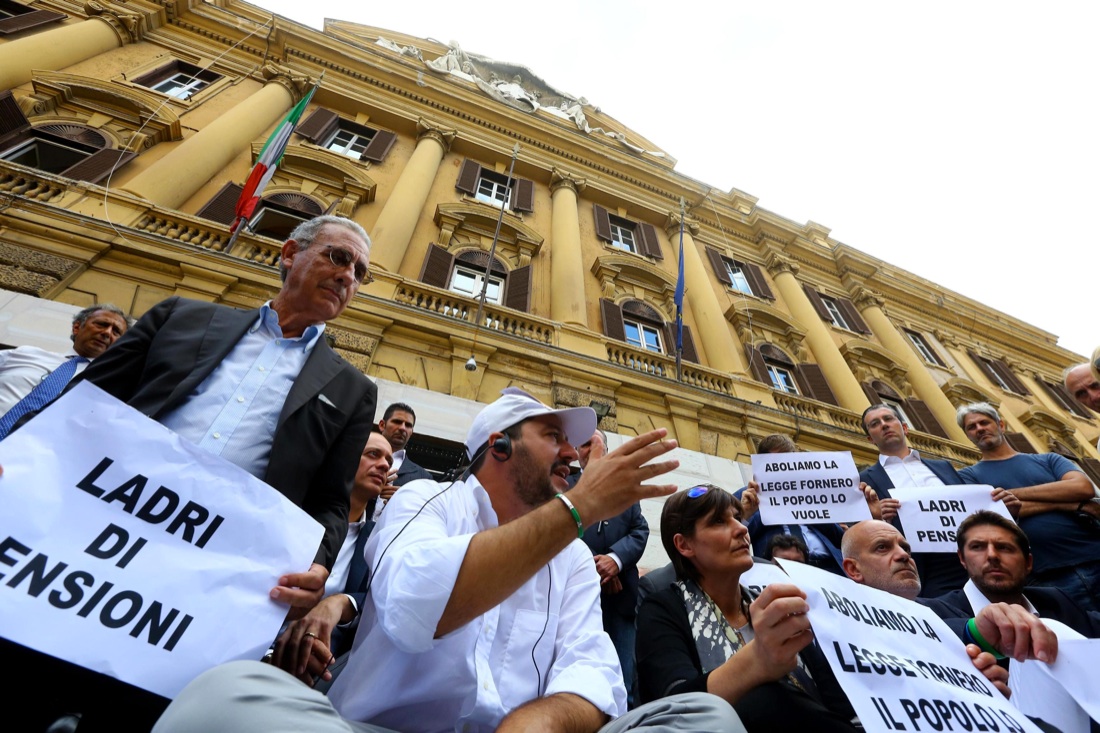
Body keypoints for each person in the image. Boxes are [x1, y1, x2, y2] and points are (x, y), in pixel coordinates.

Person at [153, 387, 742, 733]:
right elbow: (415, 611)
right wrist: (581, 505)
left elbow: (592, 676)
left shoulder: (571, 556)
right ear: (499, 445)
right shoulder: (425, 498)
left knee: (703, 720)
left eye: (574, 443)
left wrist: (529, 728)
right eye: (553, 436)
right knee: (228, 696)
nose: (572, 453)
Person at [2, 216, 378, 733]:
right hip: (77, 554)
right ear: (290, 253)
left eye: (360, 272)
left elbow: (332, 501)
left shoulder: (354, 389)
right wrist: (19, 454)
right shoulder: (179, 317)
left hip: (191, 601)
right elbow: (77, 406)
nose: (348, 276)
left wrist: (317, 563)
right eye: (339, 257)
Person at [636, 484, 859, 732]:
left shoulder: (775, 607)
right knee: (760, 698)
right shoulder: (662, 608)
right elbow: (675, 704)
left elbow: (838, 703)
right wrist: (756, 662)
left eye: (738, 517)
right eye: (719, 521)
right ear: (685, 545)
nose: (742, 528)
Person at [858, 403, 1018, 597]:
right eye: (875, 424)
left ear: (905, 427)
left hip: (972, 555)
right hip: (923, 569)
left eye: (889, 419)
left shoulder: (943, 467)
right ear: (870, 438)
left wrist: (1005, 511)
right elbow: (862, 533)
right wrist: (878, 517)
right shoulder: (865, 479)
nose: (884, 425)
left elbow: (971, 507)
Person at [956, 402, 1100, 612]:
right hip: (1044, 576)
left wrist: (1012, 494)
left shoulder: (1049, 459)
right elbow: (991, 514)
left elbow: (1083, 487)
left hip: (1094, 554)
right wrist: (1070, 504)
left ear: (1001, 425)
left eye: (984, 422)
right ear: (968, 435)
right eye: (972, 427)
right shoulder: (967, 476)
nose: (979, 429)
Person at [273, 430, 395, 673]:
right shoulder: (290, 511)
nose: (384, 465)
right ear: (345, 459)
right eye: (373, 454)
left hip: (305, 671)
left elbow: (379, 597)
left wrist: (339, 602)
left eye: (389, 461)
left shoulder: (379, 540)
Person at [571, 429, 650, 701]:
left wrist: (615, 560)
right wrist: (598, 566)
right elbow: (563, 528)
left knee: (622, 681)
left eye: (591, 444)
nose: (585, 451)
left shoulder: (626, 488)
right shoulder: (566, 484)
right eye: (580, 445)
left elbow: (639, 530)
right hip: (576, 599)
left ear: (605, 449)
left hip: (620, 601)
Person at [933, 511, 1099, 640]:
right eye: (977, 547)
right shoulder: (936, 614)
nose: (992, 555)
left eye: (1004, 547)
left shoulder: (1056, 601)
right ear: (962, 559)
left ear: (1028, 562)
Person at [0, 303, 129, 437]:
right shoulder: (26, 353)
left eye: (116, 332)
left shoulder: (107, 390)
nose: (107, 333)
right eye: (101, 324)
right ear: (77, 327)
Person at [737, 434, 847, 575]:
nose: (786, 466)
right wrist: (750, 513)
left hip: (830, 569)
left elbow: (839, 539)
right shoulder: (746, 496)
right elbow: (736, 535)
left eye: (790, 459)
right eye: (779, 461)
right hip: (780, 569)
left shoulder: (817, 494)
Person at [371, 402, 431, 519]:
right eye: (397, 422)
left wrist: (404, 500)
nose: (403, 428)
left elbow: (424, 516)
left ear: (411, 432)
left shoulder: (423, 477)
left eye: (408, 425)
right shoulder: (358, 455)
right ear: (382, 425)